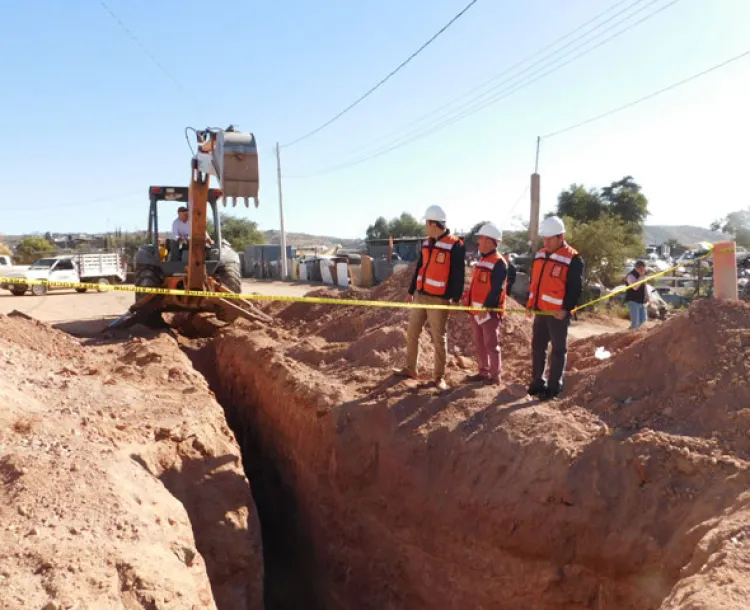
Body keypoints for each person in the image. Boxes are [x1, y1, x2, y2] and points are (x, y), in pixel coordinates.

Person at [394, 204, 466, 391]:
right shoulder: (426, 243)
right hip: (421, 295)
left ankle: (439, 377)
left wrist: (455, 299)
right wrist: (411, 292)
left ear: (434, 223)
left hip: (439, 300)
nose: (425, 226)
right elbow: (419, 267)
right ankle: (411, 369)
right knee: (412, 333)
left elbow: (458, 274)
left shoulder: (455, 245)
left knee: (438, 339)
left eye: (427, 223)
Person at [526, 215, 584, 401]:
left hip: (558, 314)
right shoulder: (541, 254)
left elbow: (575, 288)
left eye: (550, 238)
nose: (546, 242)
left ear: (561, 237)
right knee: (538, 347)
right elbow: (535, 282)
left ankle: (553, 387)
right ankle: (537, 383)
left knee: (558, 350)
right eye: (544, 238)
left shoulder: (573, 258)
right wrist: (531, 304)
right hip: (541, 311)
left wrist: (566, 308)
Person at [461, 222, 507, 386]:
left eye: (480, 238)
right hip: (476, 311)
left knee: (491, 345)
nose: (478, 242)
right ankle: (483, 372)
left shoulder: (499, 263)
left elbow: (496, 289)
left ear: (489, 241)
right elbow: (477, 286)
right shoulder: (483, 260)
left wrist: (486, 308)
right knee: (480, 343)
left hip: (489, 312)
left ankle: (495, 377)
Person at [625, 260, 648, 329]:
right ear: (639, 268)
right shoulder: (630, 275)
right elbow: (635, 287)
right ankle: (629, 333)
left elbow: (645, 286)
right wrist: (641, 277)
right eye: (643, 268)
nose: (644, 270)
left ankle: (632, 331)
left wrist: (647, 295)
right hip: (633, 301)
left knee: (643, 319)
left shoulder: (642, 275)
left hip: (641, 300)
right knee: (635, 322)